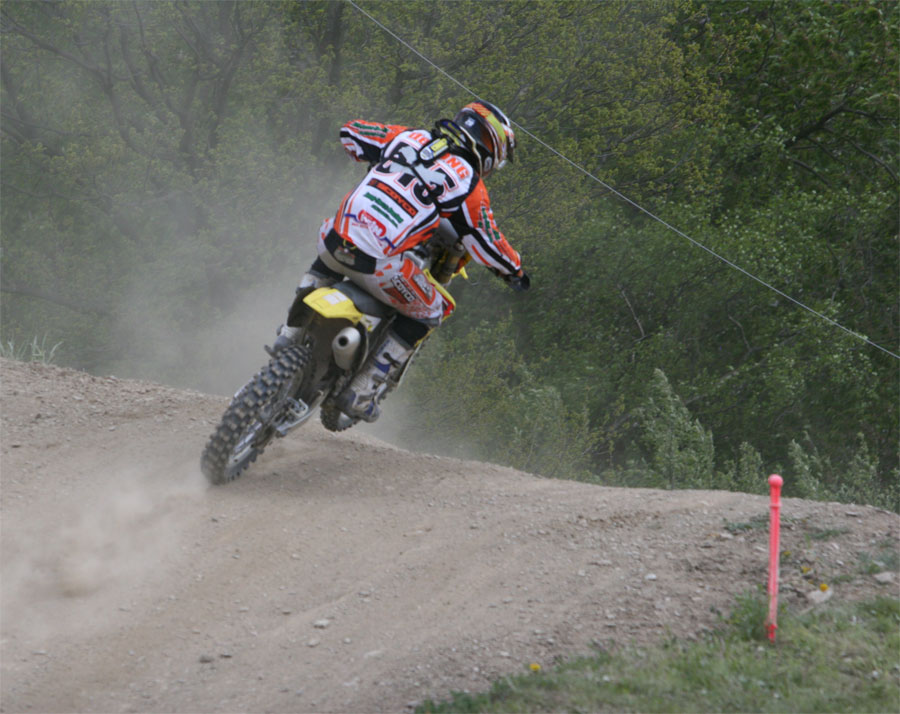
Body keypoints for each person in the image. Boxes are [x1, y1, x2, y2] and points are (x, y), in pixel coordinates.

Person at [279, 100, 529, 422]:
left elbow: (351, 133)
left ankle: (287, 334)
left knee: (333, 247)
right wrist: (515, 272)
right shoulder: (468, 183)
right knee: (434, 309)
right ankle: (363, 389)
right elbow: (488, 243)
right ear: (491, 149)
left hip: (333, 239)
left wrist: (380, 164)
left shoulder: (406, 137)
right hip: (380, 265)